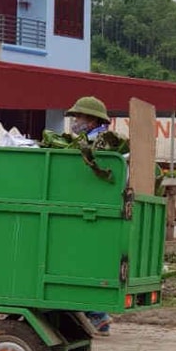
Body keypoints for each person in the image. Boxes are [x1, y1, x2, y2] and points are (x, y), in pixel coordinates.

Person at [66, 96, 112, 335]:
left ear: (93, 119)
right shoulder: (90, 139)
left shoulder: (100, 143)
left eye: (79, 117)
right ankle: (94, 316)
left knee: (85, 263)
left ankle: (97, 316)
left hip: (94, 209)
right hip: (91, 208)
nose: (75, 121)